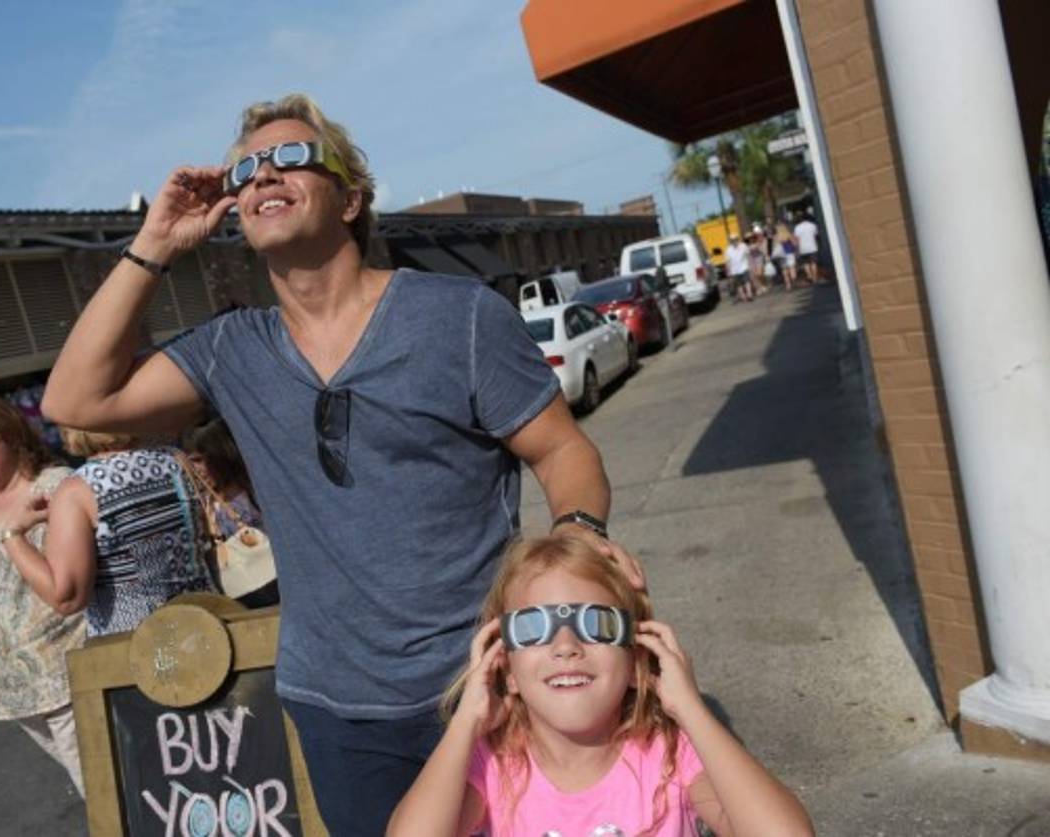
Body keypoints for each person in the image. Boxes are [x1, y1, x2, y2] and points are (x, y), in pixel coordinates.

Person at [40, 92, 639, 833]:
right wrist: (155, 243)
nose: (263, 177)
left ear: (351, 197)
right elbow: (74, 399)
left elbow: (562, 447)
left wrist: (581, 536)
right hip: (339, 712)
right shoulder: (233, 349)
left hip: (486, 680)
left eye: (291, 159)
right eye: (248, 171)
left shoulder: (460, 317)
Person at [388, 535, 814, 836]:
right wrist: (466, 722)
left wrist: (692, 712)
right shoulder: (496, 765)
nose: (566, 645)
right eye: (533, 627)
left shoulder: (668, 754)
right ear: (507, 669)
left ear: (636, 660)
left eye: (596, 625)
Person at [0, 397, 87, 796]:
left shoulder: (54, 486)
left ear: (11, 436)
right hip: (9, 690)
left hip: (61, 673)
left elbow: (73, 574)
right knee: (96, 787)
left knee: (102, 786)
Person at [4, 428, 218, 637]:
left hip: (137, 646)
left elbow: (68, 597)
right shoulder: (175, 460)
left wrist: (13, 536)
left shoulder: (78, 490)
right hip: (206, 627)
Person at [181, 418, 280, 608]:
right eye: (190, 463)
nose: (195, 471)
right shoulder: (205, 504)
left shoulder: (254, 497)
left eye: (199, 461)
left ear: (219, 456)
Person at [794, 212, 821, 284]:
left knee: (805, 263)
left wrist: (797, 249)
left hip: (803, 248)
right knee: (813, 263)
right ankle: (815, 278)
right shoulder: (812, 225)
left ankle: (809, 276)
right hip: (813, 246)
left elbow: (797, 239)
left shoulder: (797, 227)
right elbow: (816, 236)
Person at [724, 234, 753, 302]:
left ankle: (749, 295)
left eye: (735, 239)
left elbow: (748, 255)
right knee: (738, 285)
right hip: (734, 270)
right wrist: (728, 271)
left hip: (744, 267)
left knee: (747, 281)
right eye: (732, 240)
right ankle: (743, 297)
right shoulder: (728, 250)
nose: (734, 241)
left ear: (737, 239)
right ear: (730, 241)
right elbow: (727, 262)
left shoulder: (743, 246)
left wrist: (750, 265)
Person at [774, 221, 799, 291]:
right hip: (789, 253)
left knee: (784, 270)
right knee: (792, 268)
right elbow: (795, 244)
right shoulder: (788, 234)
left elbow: (775, 247)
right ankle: (794, 282)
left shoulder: (776, 237)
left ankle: (788, 285)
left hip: (781, 255)